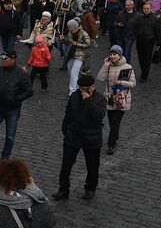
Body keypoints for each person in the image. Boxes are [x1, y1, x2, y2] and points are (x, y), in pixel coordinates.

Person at [53, 72, 104, 201]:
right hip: (73, 135)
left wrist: (88, 101)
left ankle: (90, 188)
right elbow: (68, 114)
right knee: (66, 164)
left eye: (86, 89)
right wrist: (65, 130)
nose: (83, 92)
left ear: (93, 87)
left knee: (92, 166)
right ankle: (63, 189)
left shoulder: (100, 99)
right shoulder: (74, 97)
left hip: (92, 137)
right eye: (81, 89)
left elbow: (98, 116)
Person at [0, 50, 32, 163]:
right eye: (2, 58)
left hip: (13, 109)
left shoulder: (21, 73)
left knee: (10, 136)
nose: (3, 61)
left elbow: (28, 91)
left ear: (13, 59)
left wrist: (16, 100)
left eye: (5, 59)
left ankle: (5, 157)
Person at [94, 45, 135, 156]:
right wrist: (105, 66)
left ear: (119, 55)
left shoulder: (127, 67)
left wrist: (121, 83)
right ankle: (115, 136)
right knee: (112, 122)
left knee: (116, 122)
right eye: (111, 54)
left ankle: (111, 144)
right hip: (110, 98)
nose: (112, 56)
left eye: (115, 54)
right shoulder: (108, 66)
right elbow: (99, 78)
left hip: (121, 98)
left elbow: (132, 83)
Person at [62, 18, 91, 93]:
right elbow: (68, 43)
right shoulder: (70, 33)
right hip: (71, 54)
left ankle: (72, 91)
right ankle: (77, 86)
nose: (68, 28)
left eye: (70, 27)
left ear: (74, 27)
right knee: (70, 72)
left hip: (80, 55)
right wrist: (63, 40)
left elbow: (88, 44)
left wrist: (77, 44)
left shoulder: (83, 33)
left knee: (73, 72)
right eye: (68, 27)